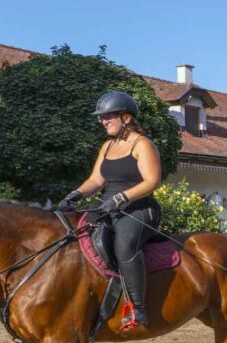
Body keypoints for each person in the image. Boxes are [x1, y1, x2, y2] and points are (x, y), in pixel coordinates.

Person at [58, 91, 162, 330]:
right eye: (101, 118)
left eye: (108, 117)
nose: (103, 122)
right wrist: (75, 195)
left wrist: (121, 197)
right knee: (74, 235)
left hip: (139, 208)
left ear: (126, 118)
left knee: (124, 245)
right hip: (107, 206)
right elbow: (96, 179)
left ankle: (138, 309)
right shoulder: (107, 146)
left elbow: (151, 181)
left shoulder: (142, 145)